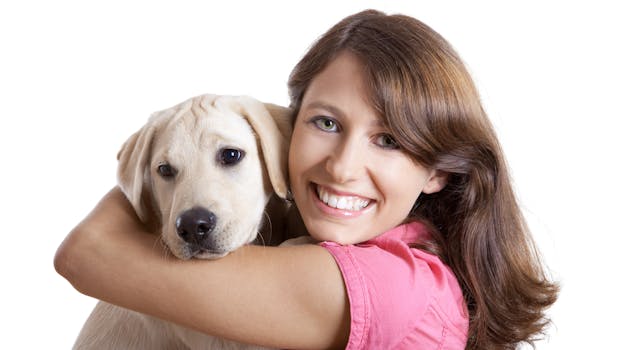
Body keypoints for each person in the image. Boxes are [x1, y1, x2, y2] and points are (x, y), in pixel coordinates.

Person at [54, 9, 559, 350]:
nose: (341, 167)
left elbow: (85, 252)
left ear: (437, 170)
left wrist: (159, 153)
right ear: (290, 134)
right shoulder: (394, 251)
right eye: (326, 123)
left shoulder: (393, 286)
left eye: (389, 140)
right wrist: (164, 150)